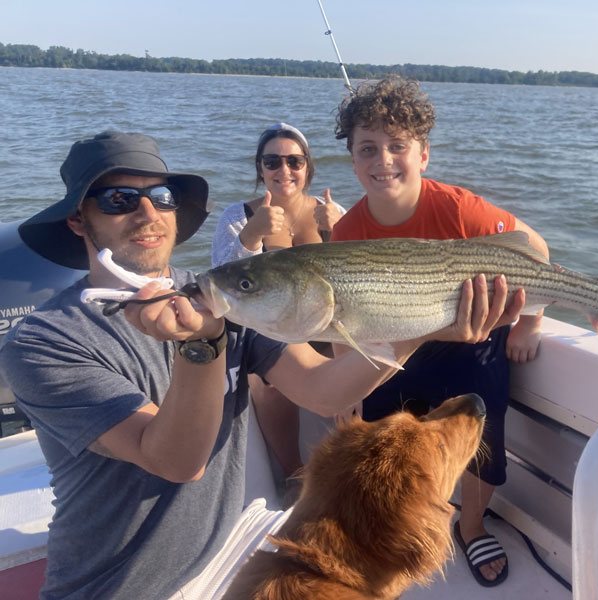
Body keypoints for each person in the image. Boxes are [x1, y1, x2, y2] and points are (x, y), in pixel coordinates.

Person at [0, 130, 524, 600]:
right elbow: (176, 461)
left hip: (240, 542)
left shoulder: (224, 292)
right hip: (128, 584)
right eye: (119, 199)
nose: (148, 213)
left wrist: (422, 329)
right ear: (78, 219)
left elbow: (323, 392)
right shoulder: (45, 340)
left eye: (161, 196)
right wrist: (202, 346)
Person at [331, 75, 550, 587]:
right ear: (354, 161)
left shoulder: (459, 208)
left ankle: (470, 527)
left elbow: (533, 250)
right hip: (393, 343)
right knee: (379, 436)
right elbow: (344, 316)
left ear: (423, 154)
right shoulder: (345, 232)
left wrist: (531, 322)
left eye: (397, 147)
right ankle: (401, 521)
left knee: (482, 431)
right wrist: (343, 374)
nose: (383, 160)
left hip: (472, 338)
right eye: (368, 149)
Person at [211, 122, 345, 507]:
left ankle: (346, 463)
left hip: (329, 322)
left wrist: (337, 233)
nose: (284, 170)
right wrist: (250, 237)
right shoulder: (237, 217)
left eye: (294, 161)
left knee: (360, 363)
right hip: (272, 327)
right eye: (272, 161)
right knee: (265, 380)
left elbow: (361, 274)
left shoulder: (333, 213)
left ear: (308, 168)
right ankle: (294, 472)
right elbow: (224, 286)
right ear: (260, 169)